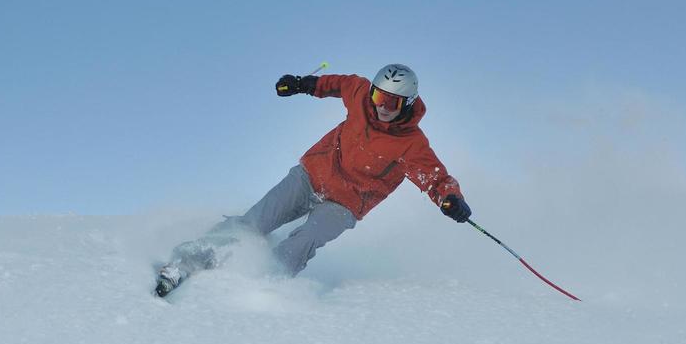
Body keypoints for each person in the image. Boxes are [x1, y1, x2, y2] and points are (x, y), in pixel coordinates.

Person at [155, 63, 471, 296]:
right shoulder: (360, 92)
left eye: (393, 103)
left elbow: (434, 176)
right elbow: (335, 83)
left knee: (303, 241)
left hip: (346, 202)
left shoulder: (411, 142)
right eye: (379, 97)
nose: (382, 107)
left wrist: (450, 198)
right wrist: (302, 84)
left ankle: (259, 283)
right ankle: (186, 261)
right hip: (312, 175)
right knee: (255, 221)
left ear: (409, 104)